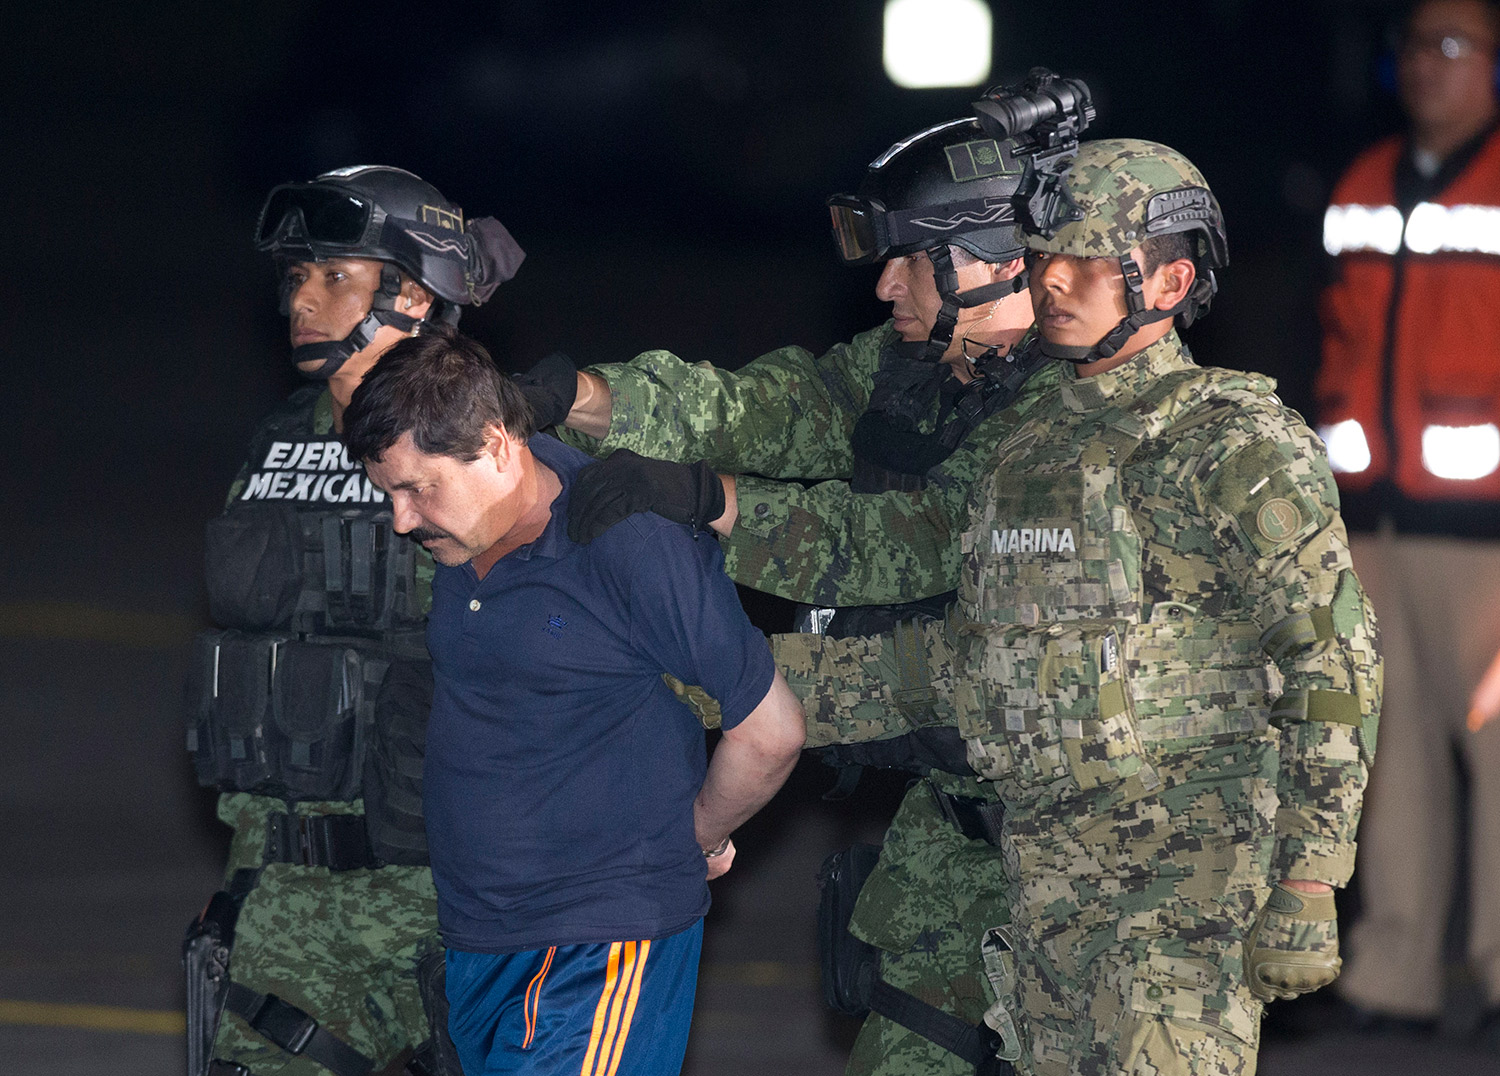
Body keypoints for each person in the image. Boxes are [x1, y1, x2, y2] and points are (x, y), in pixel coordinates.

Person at [771, 138, 1382, 1075]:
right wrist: (742, 681)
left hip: (1179, 905)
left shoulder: (1230, 441)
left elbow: (1331, 662)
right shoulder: (1032, 440)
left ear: (1170, 282)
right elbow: (971, 662)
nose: (1054, 282)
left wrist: (1308, 875)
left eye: (1089, 265)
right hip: (1039, 900)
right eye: (1046, 256)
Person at [523, 103, 1068, 1075]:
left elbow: (907, 546)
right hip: (954, 826)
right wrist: (579, 399)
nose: (884, 282)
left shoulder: (1088, 407)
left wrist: (713, 503)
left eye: (909, 256)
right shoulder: (919, 366)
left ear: (997, 259)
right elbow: (765, 408)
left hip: (1090, 863)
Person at [340, 326, 806, 1076]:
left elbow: (773, 729)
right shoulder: (456, 539)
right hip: (478, 942)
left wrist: (692, 837)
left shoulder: (623, 539)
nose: (400, 519)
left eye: (416, 487)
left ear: (495, 445)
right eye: (386, 491)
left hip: (601, 941)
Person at [182, 165, 524, 1076]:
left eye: (336, 277)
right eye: (297, 277)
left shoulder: (489, 450)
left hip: (440, 896)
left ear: (413, 294)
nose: (304, 298)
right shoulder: (277, 440)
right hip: (287, 899)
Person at [1317, 0, 1500, 1040]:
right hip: (1368, 521)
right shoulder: (1359, 181)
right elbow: (1330, 336)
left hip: (1487, 533)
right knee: (1385, 751)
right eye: (1413, 47)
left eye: (1452, 46)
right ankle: (1393, 972)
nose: (1426, 66)